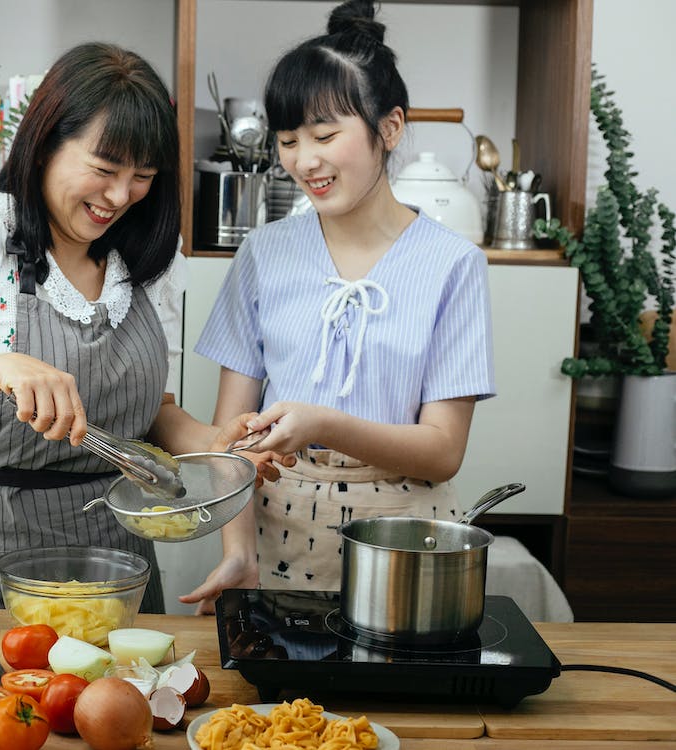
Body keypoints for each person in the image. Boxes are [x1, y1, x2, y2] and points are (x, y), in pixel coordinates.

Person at [0, 42, 277, 612]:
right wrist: (0, 369)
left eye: (142, 176)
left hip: (117, 558)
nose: (120, 197)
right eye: (104, 170)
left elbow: (155, 412)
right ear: (45, 144)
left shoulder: (147, 260)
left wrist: (215, 449)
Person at [180, 0, 495, 613]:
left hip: (407, 545)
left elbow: (443, 451)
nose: (304, 160)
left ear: (391, 128)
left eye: (326, 135)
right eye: (289, 140)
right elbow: (233, 441)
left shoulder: (453, 264)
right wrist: (237, 548)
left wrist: (323, 423)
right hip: (278, 537)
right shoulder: (263, 255)